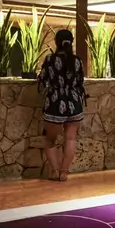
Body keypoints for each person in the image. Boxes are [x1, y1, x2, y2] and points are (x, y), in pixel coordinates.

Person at [38, 30, 86, 182]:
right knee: (70, 139)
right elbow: (80, 81)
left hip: (55, 102)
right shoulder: (77, 60)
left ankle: (54, 171)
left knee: (49, 140)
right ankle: (64, 172)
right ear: (71, 42)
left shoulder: (50, 59)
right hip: (74, 102)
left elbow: (42, 79)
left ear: (56, 42)